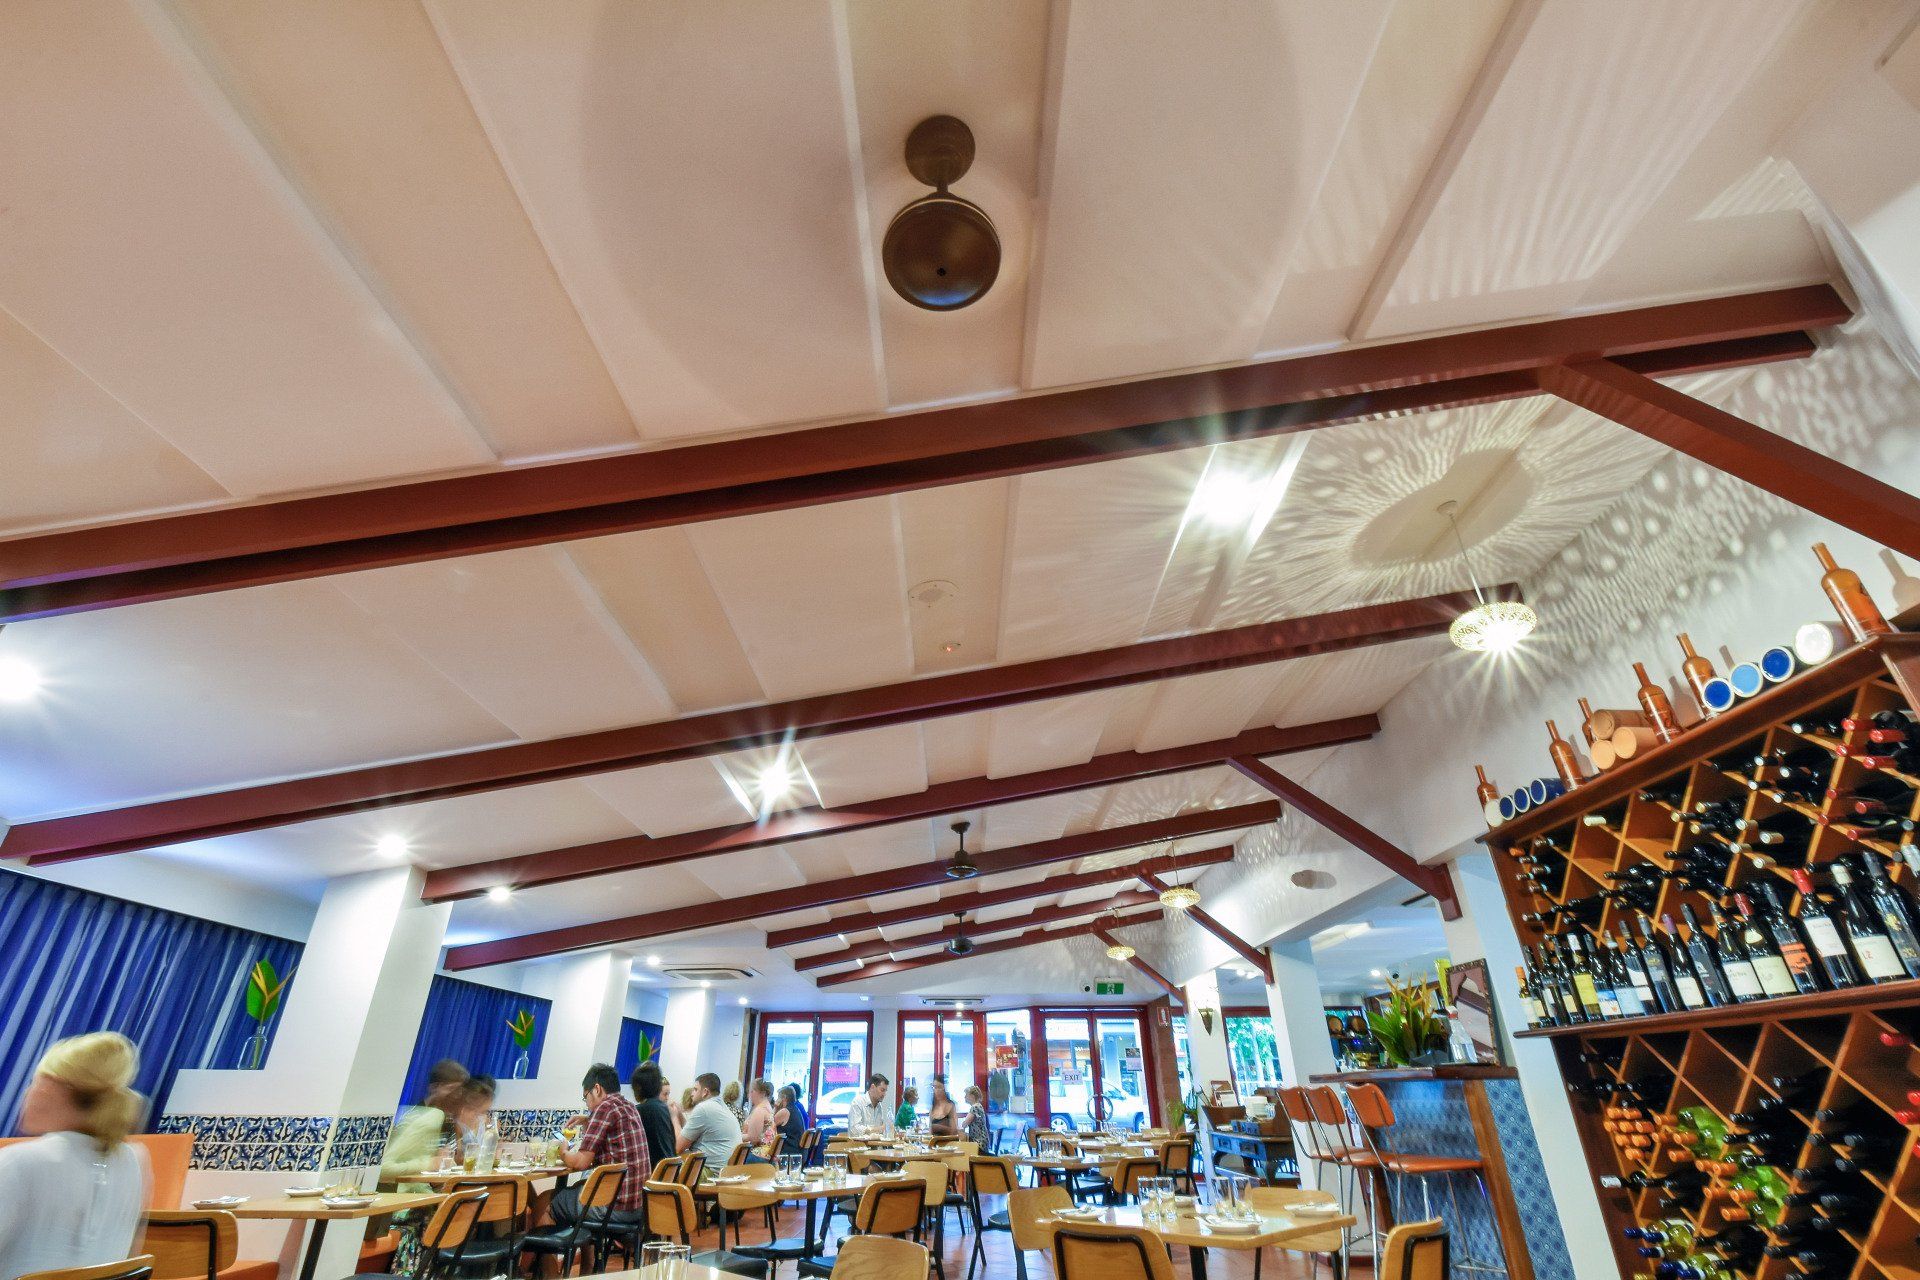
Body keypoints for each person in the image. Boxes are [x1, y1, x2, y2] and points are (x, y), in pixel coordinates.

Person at [0, 1032, 149, 1280]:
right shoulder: (133, 1160)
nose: (27, 1093)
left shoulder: (20, 1162)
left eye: (35, 1082)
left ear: (52, 1089)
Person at [553, 1063, 649, 1230]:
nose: (587, 1104)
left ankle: (547, 1257)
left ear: (596, 1089)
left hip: (614, 1205)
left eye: (586, 1097)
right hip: (639, 1204)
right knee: (574, 1195)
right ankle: (584, 1257)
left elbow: (580, 1162)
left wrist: (563, 1150)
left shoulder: (604, 1107)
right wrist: (588, 1120)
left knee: (548, 1203)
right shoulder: (629, 1107)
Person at [678, 1072, 744, 1171]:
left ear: (705, 1092)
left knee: (666, 1169)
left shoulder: (703, 1108)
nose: (691, 1094)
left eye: (695, 1089)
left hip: (710, 1173)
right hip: (728, 1173)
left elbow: (678, 1148)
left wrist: (674, 1118)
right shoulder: (723, 1107)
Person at [631, 1062, 676, 1166]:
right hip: (670, 1172)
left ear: (638, 1087)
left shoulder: (638, 1111)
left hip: (654, 1174)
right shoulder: (664, 1108)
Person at [773, 1084, 808, 1157]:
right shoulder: (795, 1109)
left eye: (778, 1097)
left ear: (784, 1098)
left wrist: (775, 1107)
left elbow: (769, 1126)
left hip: (787, 1152)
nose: (777, 1099)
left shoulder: (785, 1111)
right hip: (796, 1151)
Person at [742, 1079, 776, 1151]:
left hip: (758, 1154)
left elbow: (753, 1139)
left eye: (752, 1091)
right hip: (766, 1152)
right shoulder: (766, 1106)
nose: (749, 1095)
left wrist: (735, 1137)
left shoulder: (760, 1110)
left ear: (762, 1093)